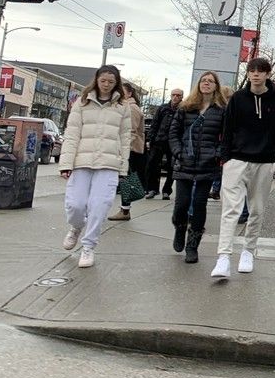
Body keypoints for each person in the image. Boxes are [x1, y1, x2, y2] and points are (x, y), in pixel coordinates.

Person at [211, 57, 275, 279]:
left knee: (256, 209)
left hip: (264, 162)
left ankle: (248, 251)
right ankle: (223, 257)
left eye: (260, 71)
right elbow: (227, 129)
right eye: (252, 70)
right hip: (236, 159)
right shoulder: (237, 98)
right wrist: (225, 158)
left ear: (267, 74)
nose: (255, 74)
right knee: (230, 210)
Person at [58, 65, 131, 268]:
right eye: (103, 81)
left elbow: (125, 138)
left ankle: (88, 246)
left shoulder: (122, 107)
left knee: (99, 207)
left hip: (108, 164)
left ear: (116, 83)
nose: (106, 85)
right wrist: (66, 164)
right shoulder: (82, 103)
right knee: (76, 205)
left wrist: (123, 166)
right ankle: (76, 227)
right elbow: (72, 134)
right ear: (97, 80)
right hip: (81, 161)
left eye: (111, 82)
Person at [169, 71, 227, 263]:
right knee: (182, 204)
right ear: (198, 84)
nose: (206, 84)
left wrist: (216, 154)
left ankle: (192, 245)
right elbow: (174, 133)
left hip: (207, 166)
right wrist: (179, 152)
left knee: (200, 205)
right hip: (184, 163)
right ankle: (179, 227)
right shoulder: (186, 107)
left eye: (210, 81)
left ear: (216, 86)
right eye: (204, 81)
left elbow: (227, 137)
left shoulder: (221, 110)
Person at [109, 81, 146, 221]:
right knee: (123, 180)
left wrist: (123, 151)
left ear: (129, 93)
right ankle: (123, 210)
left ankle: (125, 211)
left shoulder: (131, 108)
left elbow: (131, 131)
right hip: (126, 149)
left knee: (126, 180)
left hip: (130, 150)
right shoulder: (123, 107)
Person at [144, 88, 183, 199]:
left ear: (181, 97)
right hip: (159, 141)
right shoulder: (163, 108)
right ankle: (152, 189)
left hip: (173, 143)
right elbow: (154, 124)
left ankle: (166, 190)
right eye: (173, 95)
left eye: (178, 95)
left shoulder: (183, 110)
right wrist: (150, 139)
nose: (175, 97)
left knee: (171, 167)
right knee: (152, 165)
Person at [208, 85, 234, 201]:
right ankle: (216, 190)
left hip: (223, 146)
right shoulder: (222, 111)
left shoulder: (223, 111)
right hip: (220, 146)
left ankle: (216, 190)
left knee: (220, 171)